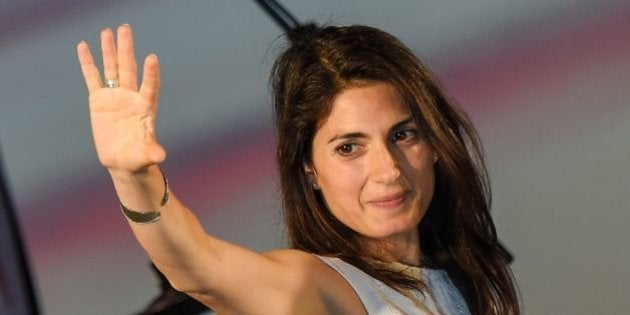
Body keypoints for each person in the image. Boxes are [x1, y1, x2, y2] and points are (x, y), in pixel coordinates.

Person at [77, 23, 519, 314]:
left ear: (435, 141)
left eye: (403, 135)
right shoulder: (319, 288)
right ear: (309, 169)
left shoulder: (457, 276)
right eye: (349, 148)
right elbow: (199, 267)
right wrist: (132, 177)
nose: (388, 169)